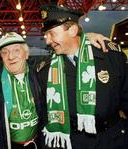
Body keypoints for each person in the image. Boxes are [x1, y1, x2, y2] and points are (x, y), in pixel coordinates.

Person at [37, 4, 128, 149]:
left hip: (112, 140)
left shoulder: (110, 56)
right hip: (72, 142)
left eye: (51, 34)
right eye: (46, 35)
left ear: (72, 30)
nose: (47, 41)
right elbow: (43, 114)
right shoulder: (45, 70)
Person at [0, 32, 46, 149]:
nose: (10, 57)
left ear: (26, 54)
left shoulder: (38, 75)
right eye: (5, 52)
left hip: (38, 143)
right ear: (1, 57)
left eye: (16, 50)